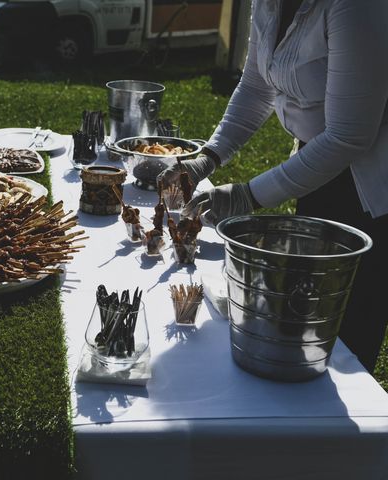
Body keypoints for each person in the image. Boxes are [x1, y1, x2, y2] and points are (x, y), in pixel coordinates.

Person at [157, 0, 388, 373]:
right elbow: (256, 86)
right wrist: (208, 157)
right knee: (304, 324)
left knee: (346, 344)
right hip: (320, 172)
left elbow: (349, 136)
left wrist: (249, 195)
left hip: (373, 192)